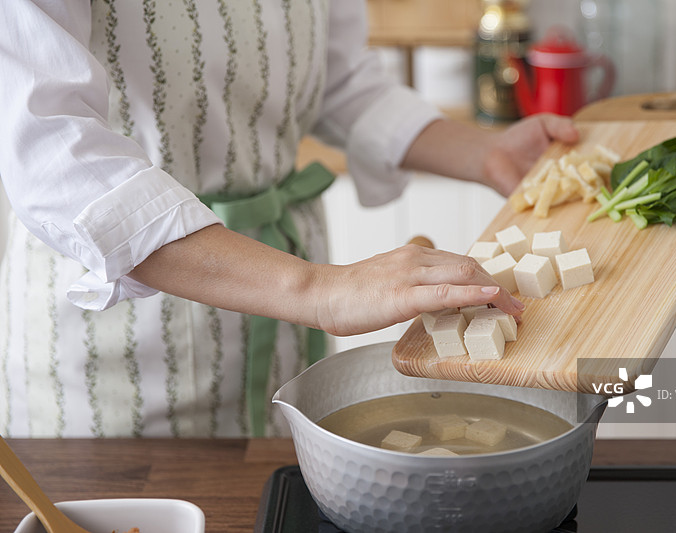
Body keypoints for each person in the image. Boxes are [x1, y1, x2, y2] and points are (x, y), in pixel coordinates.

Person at [0, 1, 578, 438]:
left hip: (280, 330)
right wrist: (320, 289)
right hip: (116, 359)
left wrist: (483, 153)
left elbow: (339, 80)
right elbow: (51, 149)